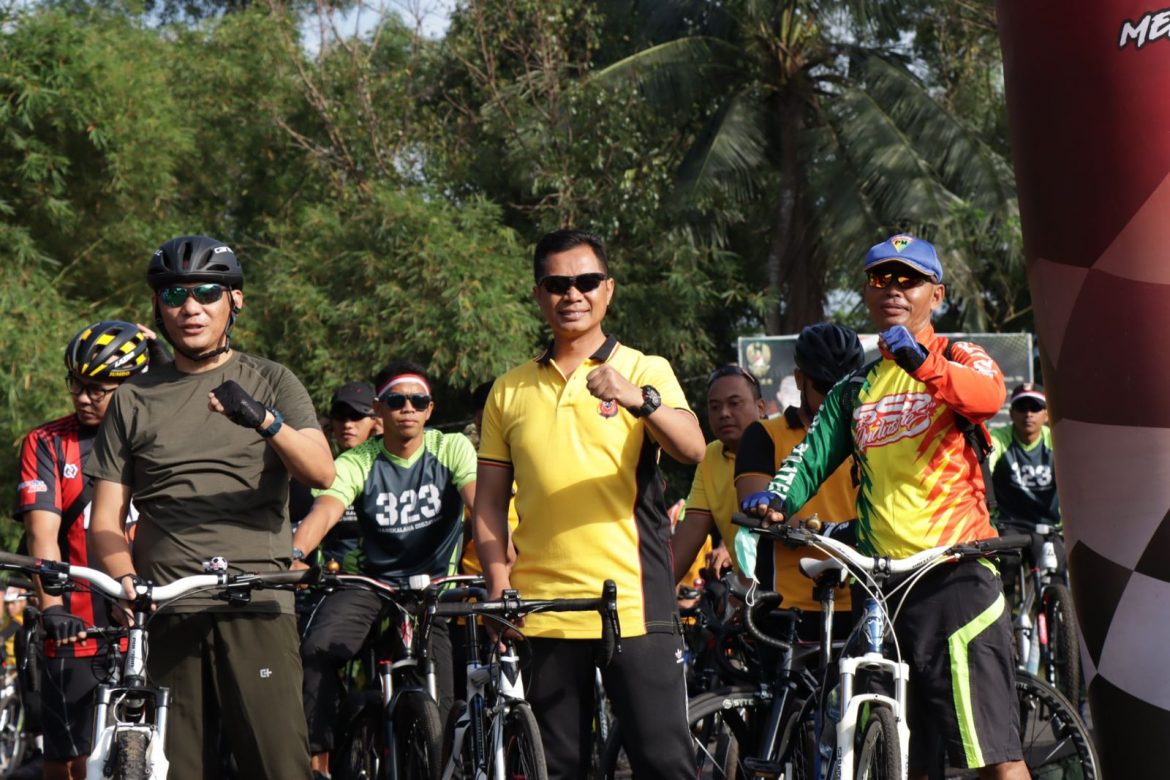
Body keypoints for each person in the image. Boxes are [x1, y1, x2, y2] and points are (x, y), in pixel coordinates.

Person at [742, 234, 1026, 780]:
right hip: (883, 589)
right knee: (907, 761)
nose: (893, 290)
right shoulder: (855, 387)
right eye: (880, 279)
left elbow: (989, 397)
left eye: (908, 279)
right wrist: (777, 500)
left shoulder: (959, 357)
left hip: (955, 574)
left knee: (995, 759)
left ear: (935, 295)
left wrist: (924, 363)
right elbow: (811, 455)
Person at [86, 235, 335, 780]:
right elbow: (104, 521)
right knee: (174, 769)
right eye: (175, 294)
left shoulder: (271, 379)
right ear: (159, 306)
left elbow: (321, 472)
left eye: (206, 292)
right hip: (168, 605)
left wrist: (263, 420)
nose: (190, 307)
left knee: (278, 766)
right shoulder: (132, 398)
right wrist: (126, 579)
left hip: (257, 598)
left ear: (234, 301)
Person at [473, 228, 706, 779]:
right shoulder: (508, 390)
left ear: (608, 290)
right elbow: (486, 506)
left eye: (585, 281)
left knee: (663, 762)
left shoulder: (646, 369)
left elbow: (693, 448)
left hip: (632, 603)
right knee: (558, 767)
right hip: (543, 609)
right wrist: (498, 583)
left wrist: (638, 399)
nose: (571, 295)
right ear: (539, 295)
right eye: (557, 284)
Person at [293, 361, 476, 777]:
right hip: (373, 584)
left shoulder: (450, 448)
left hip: (437, 589)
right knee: (316, 650)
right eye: (396, 400)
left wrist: (505, 564)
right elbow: (326, 510)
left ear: (430, 409)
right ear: (380, 410)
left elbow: (481, 510)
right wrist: (297, 552)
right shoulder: (359, 460)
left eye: (418, 401)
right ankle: (318, 762)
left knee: (446, 702)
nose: (407, 408)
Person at [15, 320, 151, 780]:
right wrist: (52, 607)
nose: (83, 396)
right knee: (69, 757)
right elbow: (43, 535)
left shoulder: (160, 440)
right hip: (77, 622)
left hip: (152, 617)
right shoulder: (49, 442)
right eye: (76, 383)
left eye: (99, 388)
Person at [734, 323, 863, 622]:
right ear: (799, 379)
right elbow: (758, 509)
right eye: (824, 386)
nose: (836, 396)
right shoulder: (764, 434)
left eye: (845, 386)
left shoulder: (871, 436)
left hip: (863, 600)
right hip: (786, 606)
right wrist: (830, 531)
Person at [670, 365, 766, 583]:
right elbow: (689, 534)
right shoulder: (710, 456)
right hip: (747, 596)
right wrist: (647, 598)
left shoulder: (784, 444)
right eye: (715, 406)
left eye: (734, 403)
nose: (724, 413)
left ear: (760, 407)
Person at [289, 381, 383, 569]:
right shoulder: (318, 476)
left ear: (376, 419)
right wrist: (315, 439)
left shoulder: (389, 472)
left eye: (357, 416)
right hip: (326, 581)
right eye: (340, 416)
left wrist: (384, 439)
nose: (348, 424)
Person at [989, 383, 1059, 529]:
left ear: (1047, 414)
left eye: (1035, 408)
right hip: (1006, 525)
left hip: (1049, 526)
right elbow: (983, 468)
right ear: (1011, 413)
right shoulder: (998, 438)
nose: (1028, 414)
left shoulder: (1058, 441)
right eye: (1022, 408)